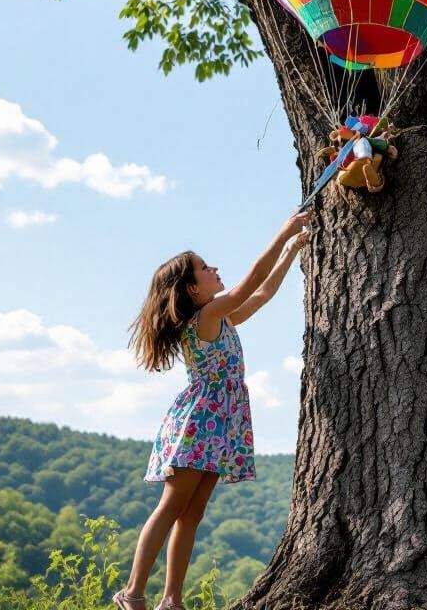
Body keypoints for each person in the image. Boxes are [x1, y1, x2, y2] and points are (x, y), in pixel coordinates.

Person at [112, 210, 311, 610]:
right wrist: (283, 230)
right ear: (192, 290)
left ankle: (172, 599)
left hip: (219, 424)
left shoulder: (218, 318)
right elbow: (249, 283)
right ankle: (132, 593)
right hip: (201, 424)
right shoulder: (206, 316)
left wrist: (291, 251)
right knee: (172, 507)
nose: (214, 268)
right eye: (205, 268)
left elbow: (261, 295)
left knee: (192, 514)